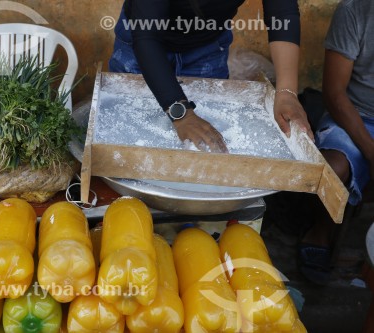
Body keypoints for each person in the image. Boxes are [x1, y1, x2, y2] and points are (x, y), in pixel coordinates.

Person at [109, 0, 313, 152]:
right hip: (143, 41)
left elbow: (282, 12)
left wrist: (287, 93)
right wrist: (182, 113)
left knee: (206, 145)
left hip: (206, 48)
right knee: (133, 137)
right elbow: (147, 38)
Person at [298, 0, 374, 284]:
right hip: (354, 115)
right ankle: (319, 232)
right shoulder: (355, 11)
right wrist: (370, 151)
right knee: (333, 168)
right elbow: (334, 94)